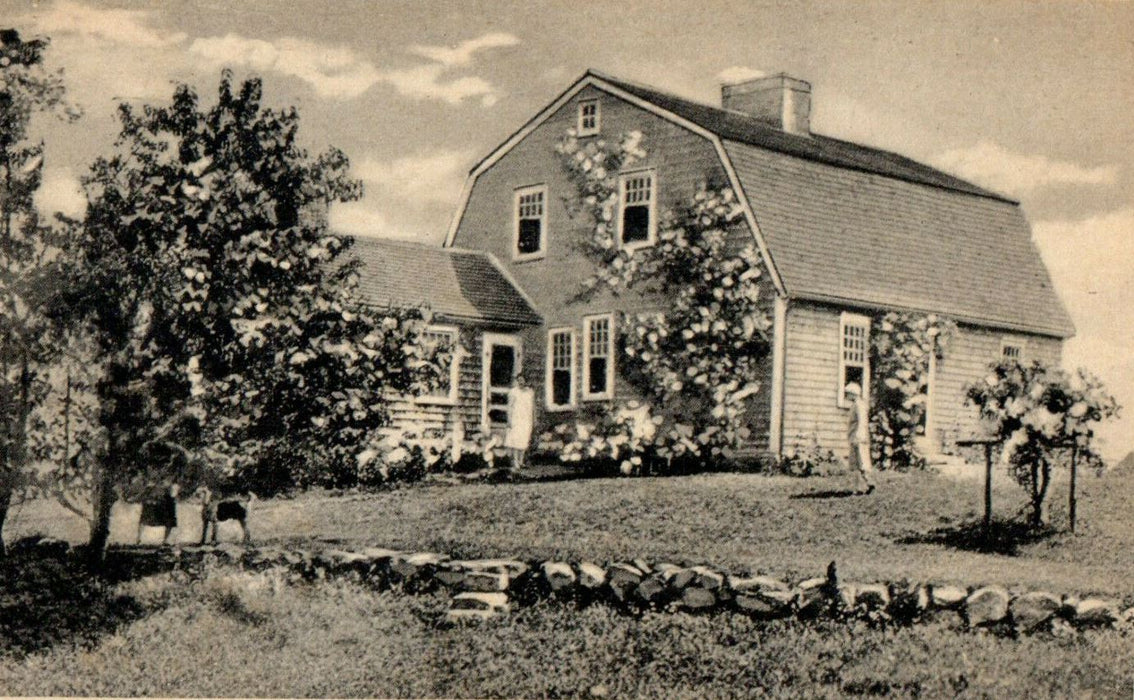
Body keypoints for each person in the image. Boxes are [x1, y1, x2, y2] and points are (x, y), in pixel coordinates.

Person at [845, 383, 875, 495]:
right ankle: (861, 486)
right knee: (856, 464)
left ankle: (868, 483)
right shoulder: (855, 405)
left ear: (853, 394)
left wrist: (859, 436)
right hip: (854, 437)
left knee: (861, 462)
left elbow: (862, 422)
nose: (847, 395)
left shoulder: (859, 405)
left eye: (848, 393)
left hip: (859, 437)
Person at [504, 373, 535, 470]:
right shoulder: (513, 392)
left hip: (526, 418)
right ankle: (515, 462)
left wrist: (534, 418)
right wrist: (509, 419)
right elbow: (510, 406)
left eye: (522, 380)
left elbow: (533, 407)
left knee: (524, 440)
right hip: (516, 418)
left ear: (526, 381)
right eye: (519, 380)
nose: (521, 382)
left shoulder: (530, 392)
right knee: (516, 440)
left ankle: (521, 462)